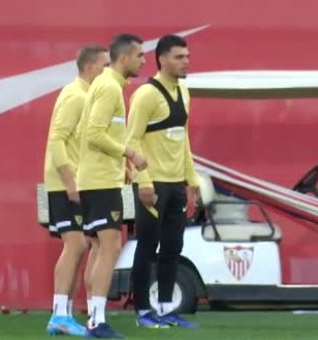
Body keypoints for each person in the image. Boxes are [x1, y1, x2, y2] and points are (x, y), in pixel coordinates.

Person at [126, 34, 200, 329]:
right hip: (152, 184)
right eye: (180, 57)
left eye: (187, 56)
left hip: (175, 184)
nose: (186, 62)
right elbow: (130, 141)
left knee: (173, 248)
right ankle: (143, 311)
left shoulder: (184, 91)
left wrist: (191, 179)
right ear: (163, 59)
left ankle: (166, 308)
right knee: (147, 247)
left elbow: (183, 141)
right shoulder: (145, 95)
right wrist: (143, 182)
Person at [76, 33, 147, 338]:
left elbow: (92, 133)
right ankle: (96, 321)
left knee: (100, 248)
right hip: (100, 182)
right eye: (140, 55)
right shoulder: (109, 88)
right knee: (110, 247)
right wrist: (129, 152)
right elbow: (93, 133)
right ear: (124, 58)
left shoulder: (105, 85)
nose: (144, 61)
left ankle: (94, 316)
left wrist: (122, 166)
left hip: (99, 178)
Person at [43, 44, 110, 336]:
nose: (109, 72)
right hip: (64, 183)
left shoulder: (88, 96)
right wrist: (69, 181)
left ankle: (65, 313)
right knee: (76, 245)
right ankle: (59, 314)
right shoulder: (75, 95)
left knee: (85, 245)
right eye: (105, 66)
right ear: (91, 67)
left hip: (78, 181)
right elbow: (57, 140)